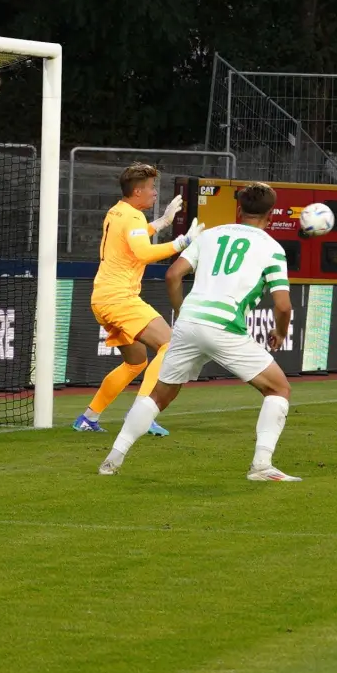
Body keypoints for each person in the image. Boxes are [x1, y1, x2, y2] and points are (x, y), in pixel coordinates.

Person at [99, 182, 298, 481]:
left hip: (190, 322)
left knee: (159, 395)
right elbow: (282, 306)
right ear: (271, 213)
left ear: (238, 208)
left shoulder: (212, 235)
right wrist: (280, 333)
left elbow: (173, 275)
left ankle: (112, 460)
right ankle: (261, 466)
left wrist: (181, 311)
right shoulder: (272, 248)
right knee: (278, 388)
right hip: (225, 325)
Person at [75, 164, 193, 436]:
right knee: (170, 344)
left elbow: (133, 237)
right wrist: (182, 242)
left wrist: (161, 223)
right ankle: (141, 413)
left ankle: (88, 418)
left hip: (102, 299)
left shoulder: (118, 211)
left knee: (136, 362)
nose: (154, 193)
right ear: (138, 191)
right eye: (152, 188)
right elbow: (142, 252)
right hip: (120, 299)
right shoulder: (133, 217)